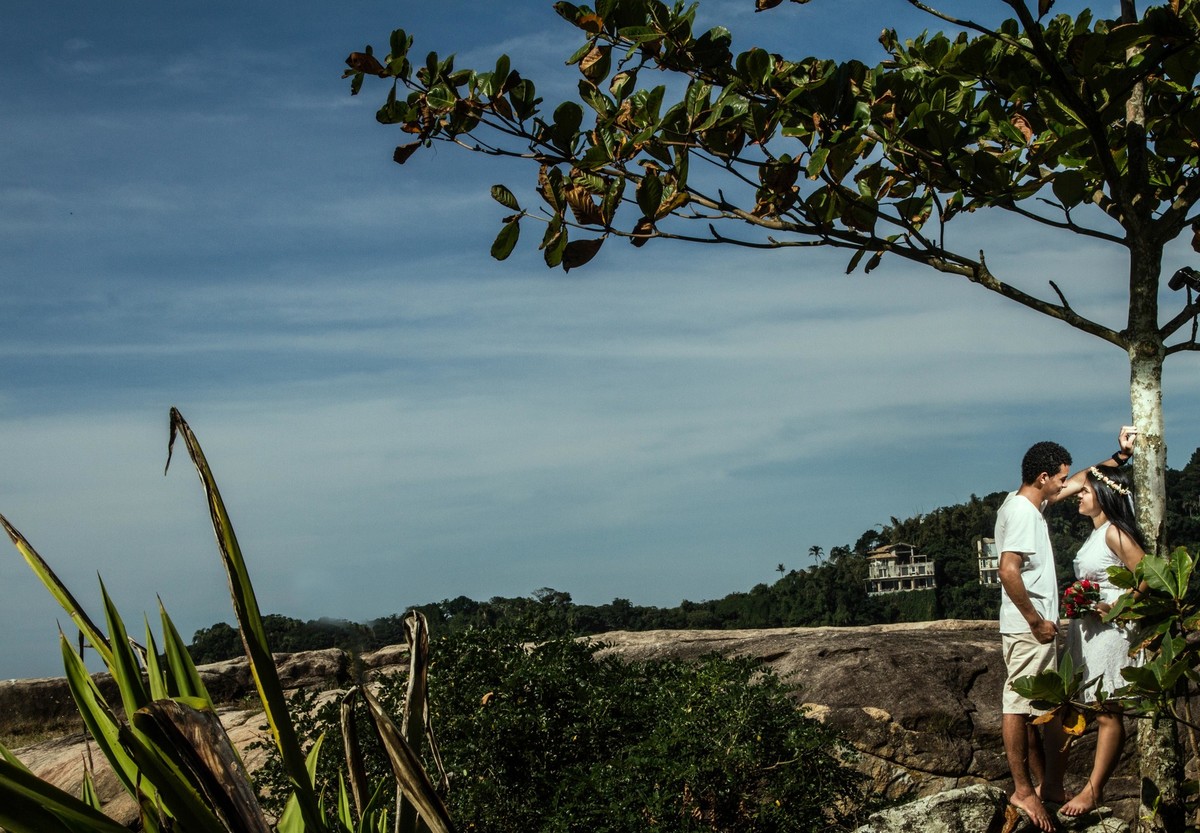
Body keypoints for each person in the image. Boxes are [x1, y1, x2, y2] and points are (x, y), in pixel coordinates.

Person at [996, 430, 1135, 832]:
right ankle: (1026, 790)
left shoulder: (1021, 503)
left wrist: (1119, 458)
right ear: (1043, 478)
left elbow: (1088, 478)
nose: (1068, 486)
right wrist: (1037, 621)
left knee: (1042, 708)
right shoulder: (1024, 512)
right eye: (1060, 478)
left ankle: (1048, 786)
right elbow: (1008, 570)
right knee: (1018, 705)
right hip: (1031, 627)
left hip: (1047, 628)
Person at [1060, 463, 1147, 817]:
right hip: (1090, 630)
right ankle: (1064, 783)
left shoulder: (1114, 532)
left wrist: (1120, 605)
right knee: (1091, 708)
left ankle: (1094, 790)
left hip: (1111, 632)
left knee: (1109, 712)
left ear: (1104, 495)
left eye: (1085, 491)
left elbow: (1147, 575)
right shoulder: (1097, 533)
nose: (1079, 494)